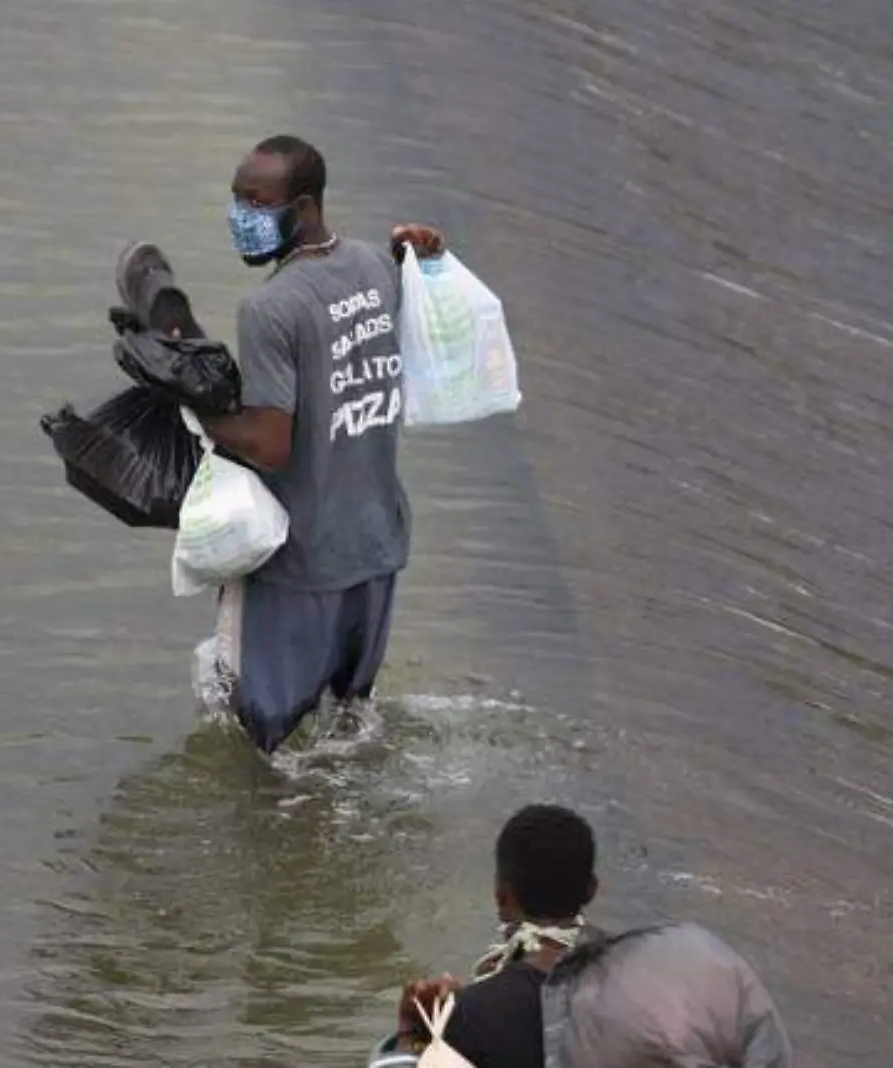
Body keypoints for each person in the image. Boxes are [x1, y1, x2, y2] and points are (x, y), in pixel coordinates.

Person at [114, 134, 445, 753]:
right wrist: (416, 248)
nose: (242, 217)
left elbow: (269, 447)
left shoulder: (270, 308)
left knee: (257, 740)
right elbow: (404, 288)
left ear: (305, 206)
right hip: (378, 549)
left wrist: (187, 403)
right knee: (349, 726)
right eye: (236, 200)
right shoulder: (376, 265)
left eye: (257, 203)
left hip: (301, 563)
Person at [372, 805, 793, 1068]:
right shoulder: (651, 989)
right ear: (592, 889)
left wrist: (412, 1033)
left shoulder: (474, 1015)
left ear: (501, 897)